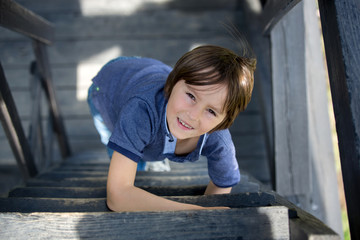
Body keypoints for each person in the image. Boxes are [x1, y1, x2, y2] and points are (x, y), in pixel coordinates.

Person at [87, 45, 256, 211]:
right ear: (171, 85)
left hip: (146, 73)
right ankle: (137, 159)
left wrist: (207, 212)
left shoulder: (220, 140)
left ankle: (143, 151)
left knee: (137, 140)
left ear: (223, 122)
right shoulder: (140, 109)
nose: (193, 116)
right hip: (109, 84)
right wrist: (193, 210)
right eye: (191, 96)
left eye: (211, 111)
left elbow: (221, 189)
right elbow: (117, 196)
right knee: (116, 141)